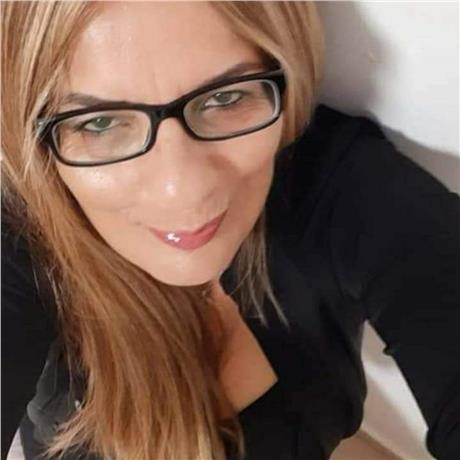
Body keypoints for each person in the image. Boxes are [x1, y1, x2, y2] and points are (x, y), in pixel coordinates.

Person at [1, 2, 459, 460]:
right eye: (99, 123)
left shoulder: (339, 187)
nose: (181, 192)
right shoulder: (22, 227)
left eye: (225, 98)